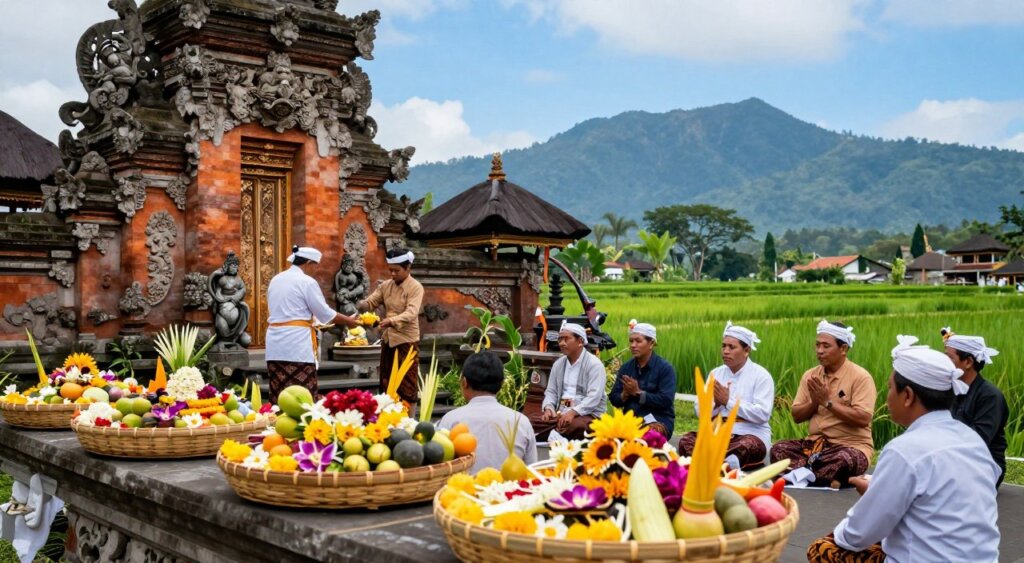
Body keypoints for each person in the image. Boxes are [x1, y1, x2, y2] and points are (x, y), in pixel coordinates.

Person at [807, 336, 1000, 562]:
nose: (887, 398)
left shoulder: (904, 450)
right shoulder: (973, 440)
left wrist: (872, 499)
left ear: (907, 395)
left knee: (822, 549)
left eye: (890, 388)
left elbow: (857, 534)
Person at [771, 320, 875, 487]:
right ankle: (829, 478)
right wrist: (814, 402)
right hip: (814, 446)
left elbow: (863, 418)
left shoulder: (861, 377)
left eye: (826, 346)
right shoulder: (811, 376)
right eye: (818, 345)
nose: (819, 351)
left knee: (844, 460)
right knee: (779, 449)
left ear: (843, 349)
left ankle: (801, 474)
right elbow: (797, 415)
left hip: (848, 446)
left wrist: (828, 403)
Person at [265, 245, 359, 401]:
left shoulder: (276, 279)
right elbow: (325, 313)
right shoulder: (307, 282)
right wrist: (348, 321)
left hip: (275, 343)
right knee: (302, 395)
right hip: (296, 344)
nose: (316, 271)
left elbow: (287, 310)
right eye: (316, 266)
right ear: (309, 263)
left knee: (279, 392)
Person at [678, 322, 774, 468]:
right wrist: (716, 404)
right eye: (723, 346)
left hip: (748, 434)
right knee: (686, 441)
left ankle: (715, 464)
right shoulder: (715, 374)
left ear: (746, 350)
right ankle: (721, 464)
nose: (725, 351)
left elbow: (762, 414)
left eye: (731, 347)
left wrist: (728, 401)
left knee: (747, 447)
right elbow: (699, 411)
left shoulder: (761, 376)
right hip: (716, 434)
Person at [438, 351, 538, 475]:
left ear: (464, 382)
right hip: (508, 492)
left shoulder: (451, 420)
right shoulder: (521, 421)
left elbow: (440, 469)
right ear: (502, 384)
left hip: (463, 492)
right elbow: (532, 472)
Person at [942, 327, 1008, 487]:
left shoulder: (990, 396)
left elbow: (978, 443)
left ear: (968, 362)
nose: (944, 364)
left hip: (983, 465)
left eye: (949, 358)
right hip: (951, 459)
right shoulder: (949, 389)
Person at [358, 248, 424, 405]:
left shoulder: (415, 287)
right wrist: (361, 305)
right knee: (386, 381)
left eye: (397, 270)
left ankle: (409, 421)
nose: (393, 274)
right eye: (391, 271)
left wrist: (391, 321)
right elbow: (371, 302)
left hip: (406, 340)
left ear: (408, 268)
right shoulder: (386, 285)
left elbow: (412, 312)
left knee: (407, 383)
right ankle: (387, 417)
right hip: (388, 339)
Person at [531, 322, 607, 441]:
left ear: (580, 341)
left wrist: (573, 412)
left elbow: (594, 397)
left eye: (566, 339)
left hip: (587, 414)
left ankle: (554, 436)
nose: (561, 343)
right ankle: (556, 435)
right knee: (530, 422)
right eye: (560, 339)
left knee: (577, 426)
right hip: (561, 413)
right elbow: (551, 392)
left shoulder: (594, 365)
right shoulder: (558, 364)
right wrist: (548, 408)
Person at [609, 322, 676, 438]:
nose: (633, 345)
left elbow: (666, 400)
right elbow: (614, 398)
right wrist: (624, 394)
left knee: (647, 435)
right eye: (631, 341)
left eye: (638, 341)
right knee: (606, 436)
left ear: (651, 344)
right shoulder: (626, 367)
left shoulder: (665, 368)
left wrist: (638, 393)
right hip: (631, 420)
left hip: (658, 419)